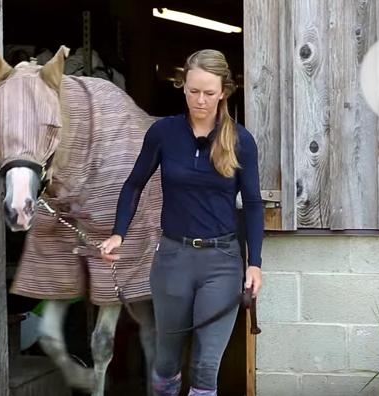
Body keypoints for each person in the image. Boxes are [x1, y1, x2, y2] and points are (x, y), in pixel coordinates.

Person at [98, 49, 265, 396]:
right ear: (182, 86)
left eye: (208, 92)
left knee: (206, 366)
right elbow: (133, 184)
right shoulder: (163, 133)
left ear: (223, 92)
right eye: (192, 91)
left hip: (222, 262)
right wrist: (119, 233)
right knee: (166, 360)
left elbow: (251, 204)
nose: (199, 100)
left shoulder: (240, 141)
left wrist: (255, 264)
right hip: (173, 258)